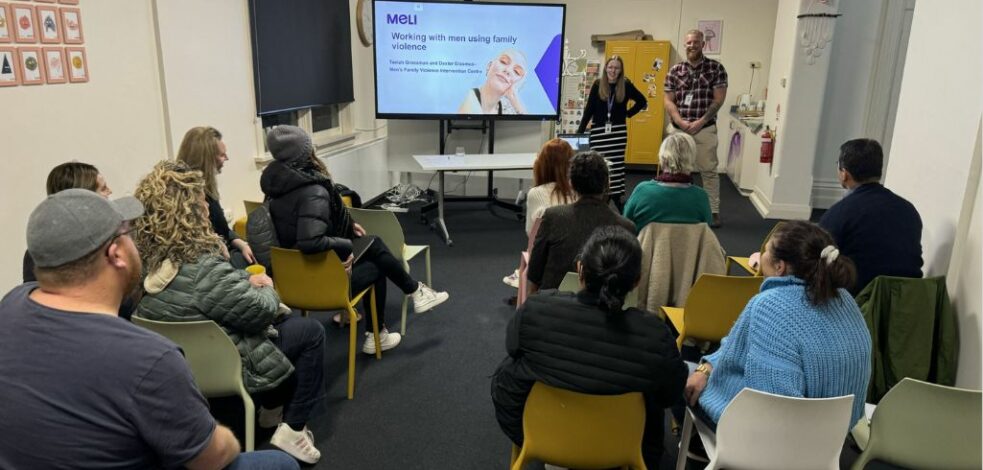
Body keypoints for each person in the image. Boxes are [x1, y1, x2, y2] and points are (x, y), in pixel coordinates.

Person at [0, 188, 298, 469]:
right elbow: (212, 458)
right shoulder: (147, 358)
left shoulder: (10, 305)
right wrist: (229, 441)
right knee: (279, 463)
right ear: (115, 254)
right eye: (129, 232)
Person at [133, 161, 325, 464]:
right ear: (188, 212)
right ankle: (294, 427)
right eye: (201, 203)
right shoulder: (202, 265)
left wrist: (241, 278)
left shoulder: (145, 262)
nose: (208, 209)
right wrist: (266, 287)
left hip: (183, 369)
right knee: (310, 332)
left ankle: (270, 410)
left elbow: (208, 294)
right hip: (232, 365)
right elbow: (258, 311)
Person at [491, 226, 688, 467]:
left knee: (515, 364)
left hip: (541, 435)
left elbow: (513, 348)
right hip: (622, 444)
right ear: (636, 281)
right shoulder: (655, 334)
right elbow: (670, 393)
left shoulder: (537, 309)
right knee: (653, 393)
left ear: (580, 269)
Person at [260, 125, 449, 354]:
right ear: (305, 153)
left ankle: (409, 299)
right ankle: (397, 312)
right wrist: (346, 245)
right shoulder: (313, 191)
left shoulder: (275, 187)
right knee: (376, 263)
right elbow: (310, 242)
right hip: (321, 283)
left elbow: (299, 225)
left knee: (373, 246)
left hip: (291, 284)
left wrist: (348, 226)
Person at [683, 221, 872, 429]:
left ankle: (706, 450)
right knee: (699, 371)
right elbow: (738, 344)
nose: (761, 255)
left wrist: (702, 373)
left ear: (779, 267)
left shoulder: (770, 306)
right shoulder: (844, 299)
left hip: (776, 443)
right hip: (834, 436)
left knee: (678, 374)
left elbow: (771, 409)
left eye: (765, 251)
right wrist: (707, 367)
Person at [819, 138, 922, 294]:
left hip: (858, 304)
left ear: (844, 173)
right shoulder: (908, 210)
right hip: (906, 302)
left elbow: (818, 262)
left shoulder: (838, 214)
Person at [526, 151, 635, 293]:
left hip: (554, 306)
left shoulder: (553, 217)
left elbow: (534, 273)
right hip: (605, 310)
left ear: (571, 183)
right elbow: (630, 282)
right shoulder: (627, 227)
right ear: (608, 184)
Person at [664, 29, 728, 228]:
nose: (692, 45)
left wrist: (700, 121)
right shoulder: (675, 71)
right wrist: (680, 121)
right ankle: (675, 209)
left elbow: (719, 99)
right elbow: (668, 100)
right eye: (689, 42)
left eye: (696, 42)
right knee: (674, 170)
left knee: (708, 171)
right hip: (678, 129)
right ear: (685, 44)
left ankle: (713, 212)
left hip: (705, 129)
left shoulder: (716, 68)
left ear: (703, 44)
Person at [177, 126, 257, 268]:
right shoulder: (185, 198)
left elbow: (222, 231)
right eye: (221, 155)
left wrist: (241, 244)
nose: (227, 158)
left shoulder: (207, 188)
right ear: (206, 160)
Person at [503, 138, 578, 288]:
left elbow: (531, 233)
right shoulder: (579, 192)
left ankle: (521, 274)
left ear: (542, 164)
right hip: (578, 262)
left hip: (546, 264)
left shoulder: (535, 194)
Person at [23, 161, 113, 282]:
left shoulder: (111, 240)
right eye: (103, 188)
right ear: (86, 198)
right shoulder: (38, 256)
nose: (110, 192)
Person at [577, 55, 647, 208]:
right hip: (599, 134)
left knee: (616, 167)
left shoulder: (626, 85)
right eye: (610, 67)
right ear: (606, 68)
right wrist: (579, 132)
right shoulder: (597, 85)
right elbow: (589, 111)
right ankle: (601, 196)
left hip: (617, 134)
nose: (613, 71)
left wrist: (628, 114)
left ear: (621, 70)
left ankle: (615, 196)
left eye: (616, 68)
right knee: (599, 166)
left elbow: (642, 101)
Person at [623, 132, 711, 232]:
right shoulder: (701, 197)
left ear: (663, 158)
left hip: (645, 247)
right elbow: (706, 233)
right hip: (688, 248)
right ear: (692, 159)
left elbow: (625, 225)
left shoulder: (642, 191)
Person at [458, 49, 527, 115]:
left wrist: (516, 103)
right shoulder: (468, 97)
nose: (508, 70)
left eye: (516, 72)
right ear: (489, 66)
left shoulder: (507, 109)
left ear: (518, 85)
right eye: (503, 62)